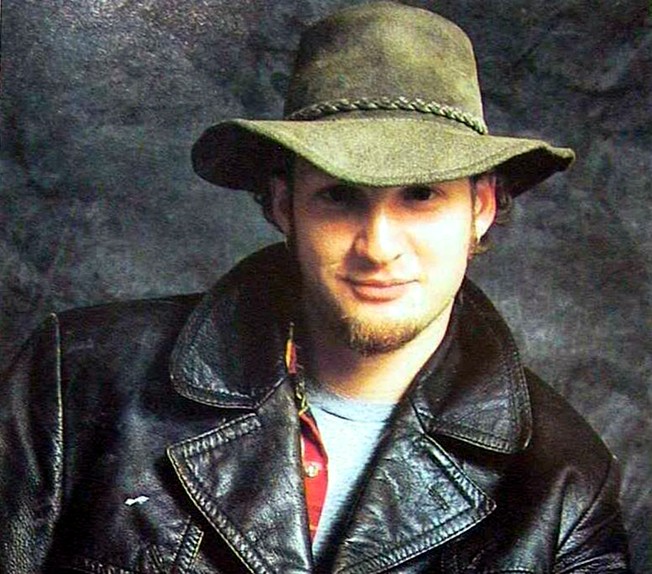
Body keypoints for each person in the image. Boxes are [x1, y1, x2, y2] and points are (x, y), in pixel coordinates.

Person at [0, 2, 630, 572]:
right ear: (284, 206)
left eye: (420, 195)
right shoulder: (77, 380)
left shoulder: (564, 484)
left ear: (481, 208)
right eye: (339, 196)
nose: (378, 247)